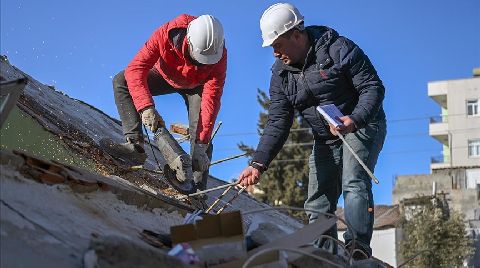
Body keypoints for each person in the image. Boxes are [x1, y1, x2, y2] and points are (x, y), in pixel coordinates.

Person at [238, 3, 386, 259]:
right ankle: (324, 256)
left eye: (277, 44)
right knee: (317, 198)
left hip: (362, 124)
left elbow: (372, 87)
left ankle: (357, 251)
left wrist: (355, 119)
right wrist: (258, 163)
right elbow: (278, 121)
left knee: (353, 182)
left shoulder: (339, 49)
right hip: (326, 138)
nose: (274, 53)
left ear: (296, 34)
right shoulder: (281, 76)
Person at [104, 14, 227, 191]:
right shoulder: (166, 33)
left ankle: (198, 190)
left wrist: (201, 145)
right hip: (165, 76)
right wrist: (146, 107)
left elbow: (212, 99)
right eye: (197, 59)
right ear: (189, 41)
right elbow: (136, 69)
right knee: (121, 81)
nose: (199, 65)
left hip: (196, 87)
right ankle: (134, 146)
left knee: (200, 133)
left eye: (205, 62)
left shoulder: (219, 53)